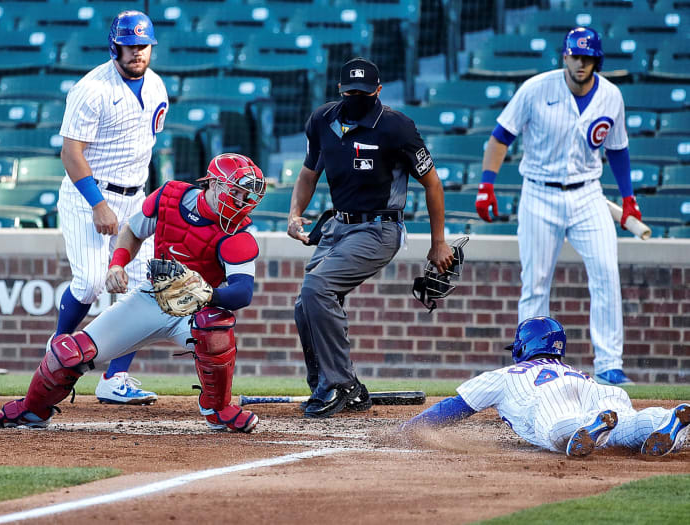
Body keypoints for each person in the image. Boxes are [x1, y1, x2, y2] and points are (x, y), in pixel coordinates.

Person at [0, 153, 266, 432]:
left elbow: (242, 293)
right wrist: (117, 264)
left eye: (247, 196)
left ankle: (217, 408)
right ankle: (32, 410)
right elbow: (132, 231)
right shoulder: (170, 197)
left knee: (215, 326)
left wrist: (205, 294)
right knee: (69, 353)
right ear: (214, 184)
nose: (242, 202)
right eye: (237, 192)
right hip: (152, 297)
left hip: (194, 312)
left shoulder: (238, 234)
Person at [287, 57, 454, 419]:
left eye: (364, 92)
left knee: (317, 288)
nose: (357, 97)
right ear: (340, 90)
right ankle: (326, 383)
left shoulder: (396, 127)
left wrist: (438, 242)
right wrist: (295, 213)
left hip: (379, 228)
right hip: (337, 226)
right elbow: (308, 172)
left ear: (378, 90)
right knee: (305, 304)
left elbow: (432, 183)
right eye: (351, 92)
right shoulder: (322, 120)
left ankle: (341, 384)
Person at [475, 27, 642, 386]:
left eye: (587, 57)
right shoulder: (537, 88)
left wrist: (628, 197)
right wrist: (486, 184)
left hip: (588, 194)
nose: (580, 63)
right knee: (535, 281)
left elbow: (618, 149)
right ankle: (533, 362)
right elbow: (500, 136)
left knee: (606, 274)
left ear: (597, 60)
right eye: (575, 56)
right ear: (564, 56)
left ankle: (610, 364)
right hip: (539, 192)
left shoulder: (611, 96)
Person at [56, 10, 168, 404]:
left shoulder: (156, 86)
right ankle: (55, 361)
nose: (137, 52)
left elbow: (144, 151)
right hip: (89, 196)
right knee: (89, 282)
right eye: (130, 45)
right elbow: (71, 153)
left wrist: (145, 205)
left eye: (143, 45)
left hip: (134, 197)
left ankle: (115, 378)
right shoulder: (93, 88)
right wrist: (99, 204)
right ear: (114, 45)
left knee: (146, 289)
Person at [400, 316, 690, 458]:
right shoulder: (574, 370)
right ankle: (666, 419)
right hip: (598, 390)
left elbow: (454, 407)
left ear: (524, 345)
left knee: (557, 430)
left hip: (550, 399)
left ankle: (591, 427)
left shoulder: (506, 373)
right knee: (627, 426)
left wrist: (410, 428)